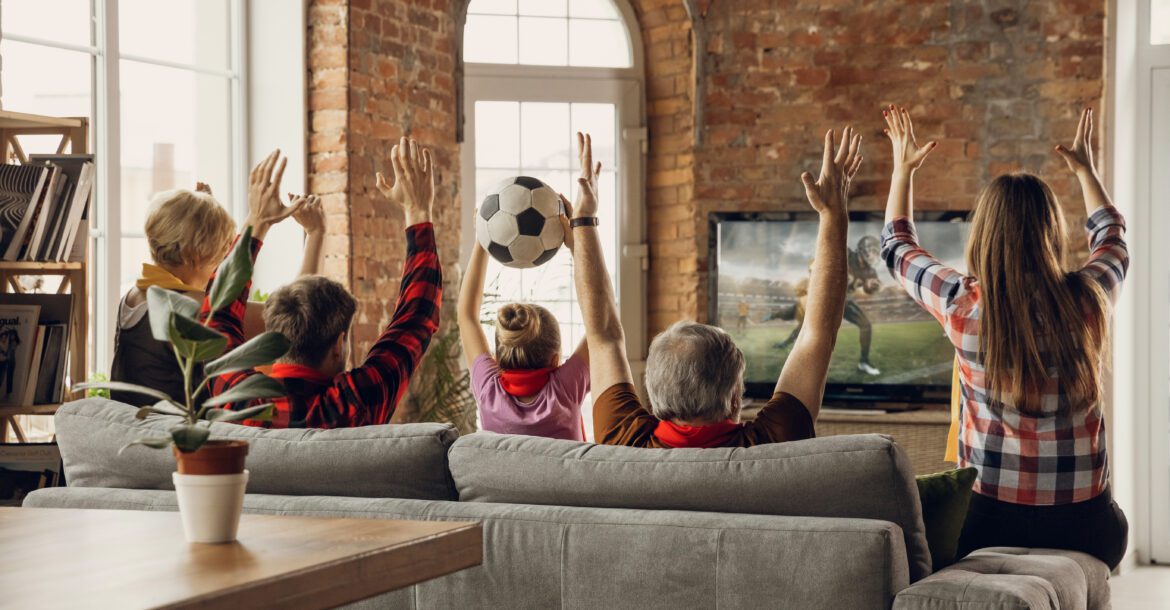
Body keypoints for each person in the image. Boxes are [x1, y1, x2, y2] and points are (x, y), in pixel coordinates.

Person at [879, 106, 1128, 569]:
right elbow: (1112, 236)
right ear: (1052, 233)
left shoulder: (960, 303)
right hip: (1088, 529)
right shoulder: (1090, 298)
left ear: (984, 235)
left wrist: (903, 169)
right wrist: (1086, 171)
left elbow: (896, 248)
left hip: (988, 523)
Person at [574, 128, 861, 448]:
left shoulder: (622, 439)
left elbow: (602, 335)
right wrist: (833, 214)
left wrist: (584, 219)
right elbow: (817, 335)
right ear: (735, 398)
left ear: (653, 398)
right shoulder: (773, 443)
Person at [202, 137, 442, 429]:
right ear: (339, 344)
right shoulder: (359, 400)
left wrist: (258, 220)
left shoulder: (240, 401)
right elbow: (416, 318)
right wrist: (418, 210)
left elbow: (216, 314)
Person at [110, 162, 323, 402]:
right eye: (221, 250)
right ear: (196, 254)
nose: (223, 257)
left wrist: (200, 216)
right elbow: (295, 317)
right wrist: (315, 232)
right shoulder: (188, 309)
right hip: (183, 437)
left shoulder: (136, 296)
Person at [457, 239, 590, 440]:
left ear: (497, 358)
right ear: (555, 360)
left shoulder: (488, 390)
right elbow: (601, 323)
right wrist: (575, 243)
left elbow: (466, 314)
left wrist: (483, 240)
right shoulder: (565, 390)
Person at [776, 235, 882, 376]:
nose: (874, 255)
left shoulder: (870, 271)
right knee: (807, 325)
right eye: (873, 251)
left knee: (866, 325)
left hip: (845, 302)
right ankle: (786, 343)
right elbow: (821, 260)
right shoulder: (847, 254)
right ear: (863, 249)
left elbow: (869, 290)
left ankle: (863, 362)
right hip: (827, 299)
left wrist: (872, 287)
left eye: (876, 252)